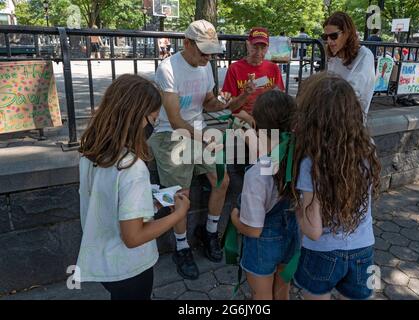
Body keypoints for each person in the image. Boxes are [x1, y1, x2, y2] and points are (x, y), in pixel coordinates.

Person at [75, 74, 190, 300]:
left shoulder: (91, 154)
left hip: (104, 262)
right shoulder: (132, 167)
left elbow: (109, 200)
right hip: (129, 268)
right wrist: (179, 214)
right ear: (137, 118)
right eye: (153, 120)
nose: (153, 127)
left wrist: (150, 201)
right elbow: (134, 237)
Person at [148, 20, 237, 280]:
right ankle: (182, 247)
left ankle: (209, 232)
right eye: (203, 51)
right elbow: (175, 120)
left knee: (222, 180)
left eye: (211, 52)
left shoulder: (205, 66)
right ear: (186, 43)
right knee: (181, 194)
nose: (208, 57)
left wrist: (221, 102)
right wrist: (205, 139)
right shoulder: (168, 68)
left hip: (196, 134)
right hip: (169, 134)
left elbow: (207, 103)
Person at [290, 72, 381, 300]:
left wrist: (297, 210)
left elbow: (313, 230)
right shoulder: (368, 147)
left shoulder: (311, 163)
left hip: (322, 254)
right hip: (364, 250)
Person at [230, 90, 300, 300]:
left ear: (257, 125)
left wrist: (234, 219)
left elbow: (253, 230)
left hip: (263, 245)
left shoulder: (256, 173)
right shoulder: (299, 157)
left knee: (261, 296)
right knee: (282, 292)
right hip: (292, 238)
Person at [222, 27, 285, 129]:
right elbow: (231, 107)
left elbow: (281, 100)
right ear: (248, 44)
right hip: (242, 117)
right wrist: (245, 94)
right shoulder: (235, 68)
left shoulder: (273, 68)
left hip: (268, 117)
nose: (259, 52)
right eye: (255, 47)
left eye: (263, 48)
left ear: (268, 47)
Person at [316, 11, 375, 117]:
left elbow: (352, 93)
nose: (329, 41)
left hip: (351, 119)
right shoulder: (334, 57)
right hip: (332, 115)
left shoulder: (365, 55)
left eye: (333, 36)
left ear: (347, 33)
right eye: (325, 37)